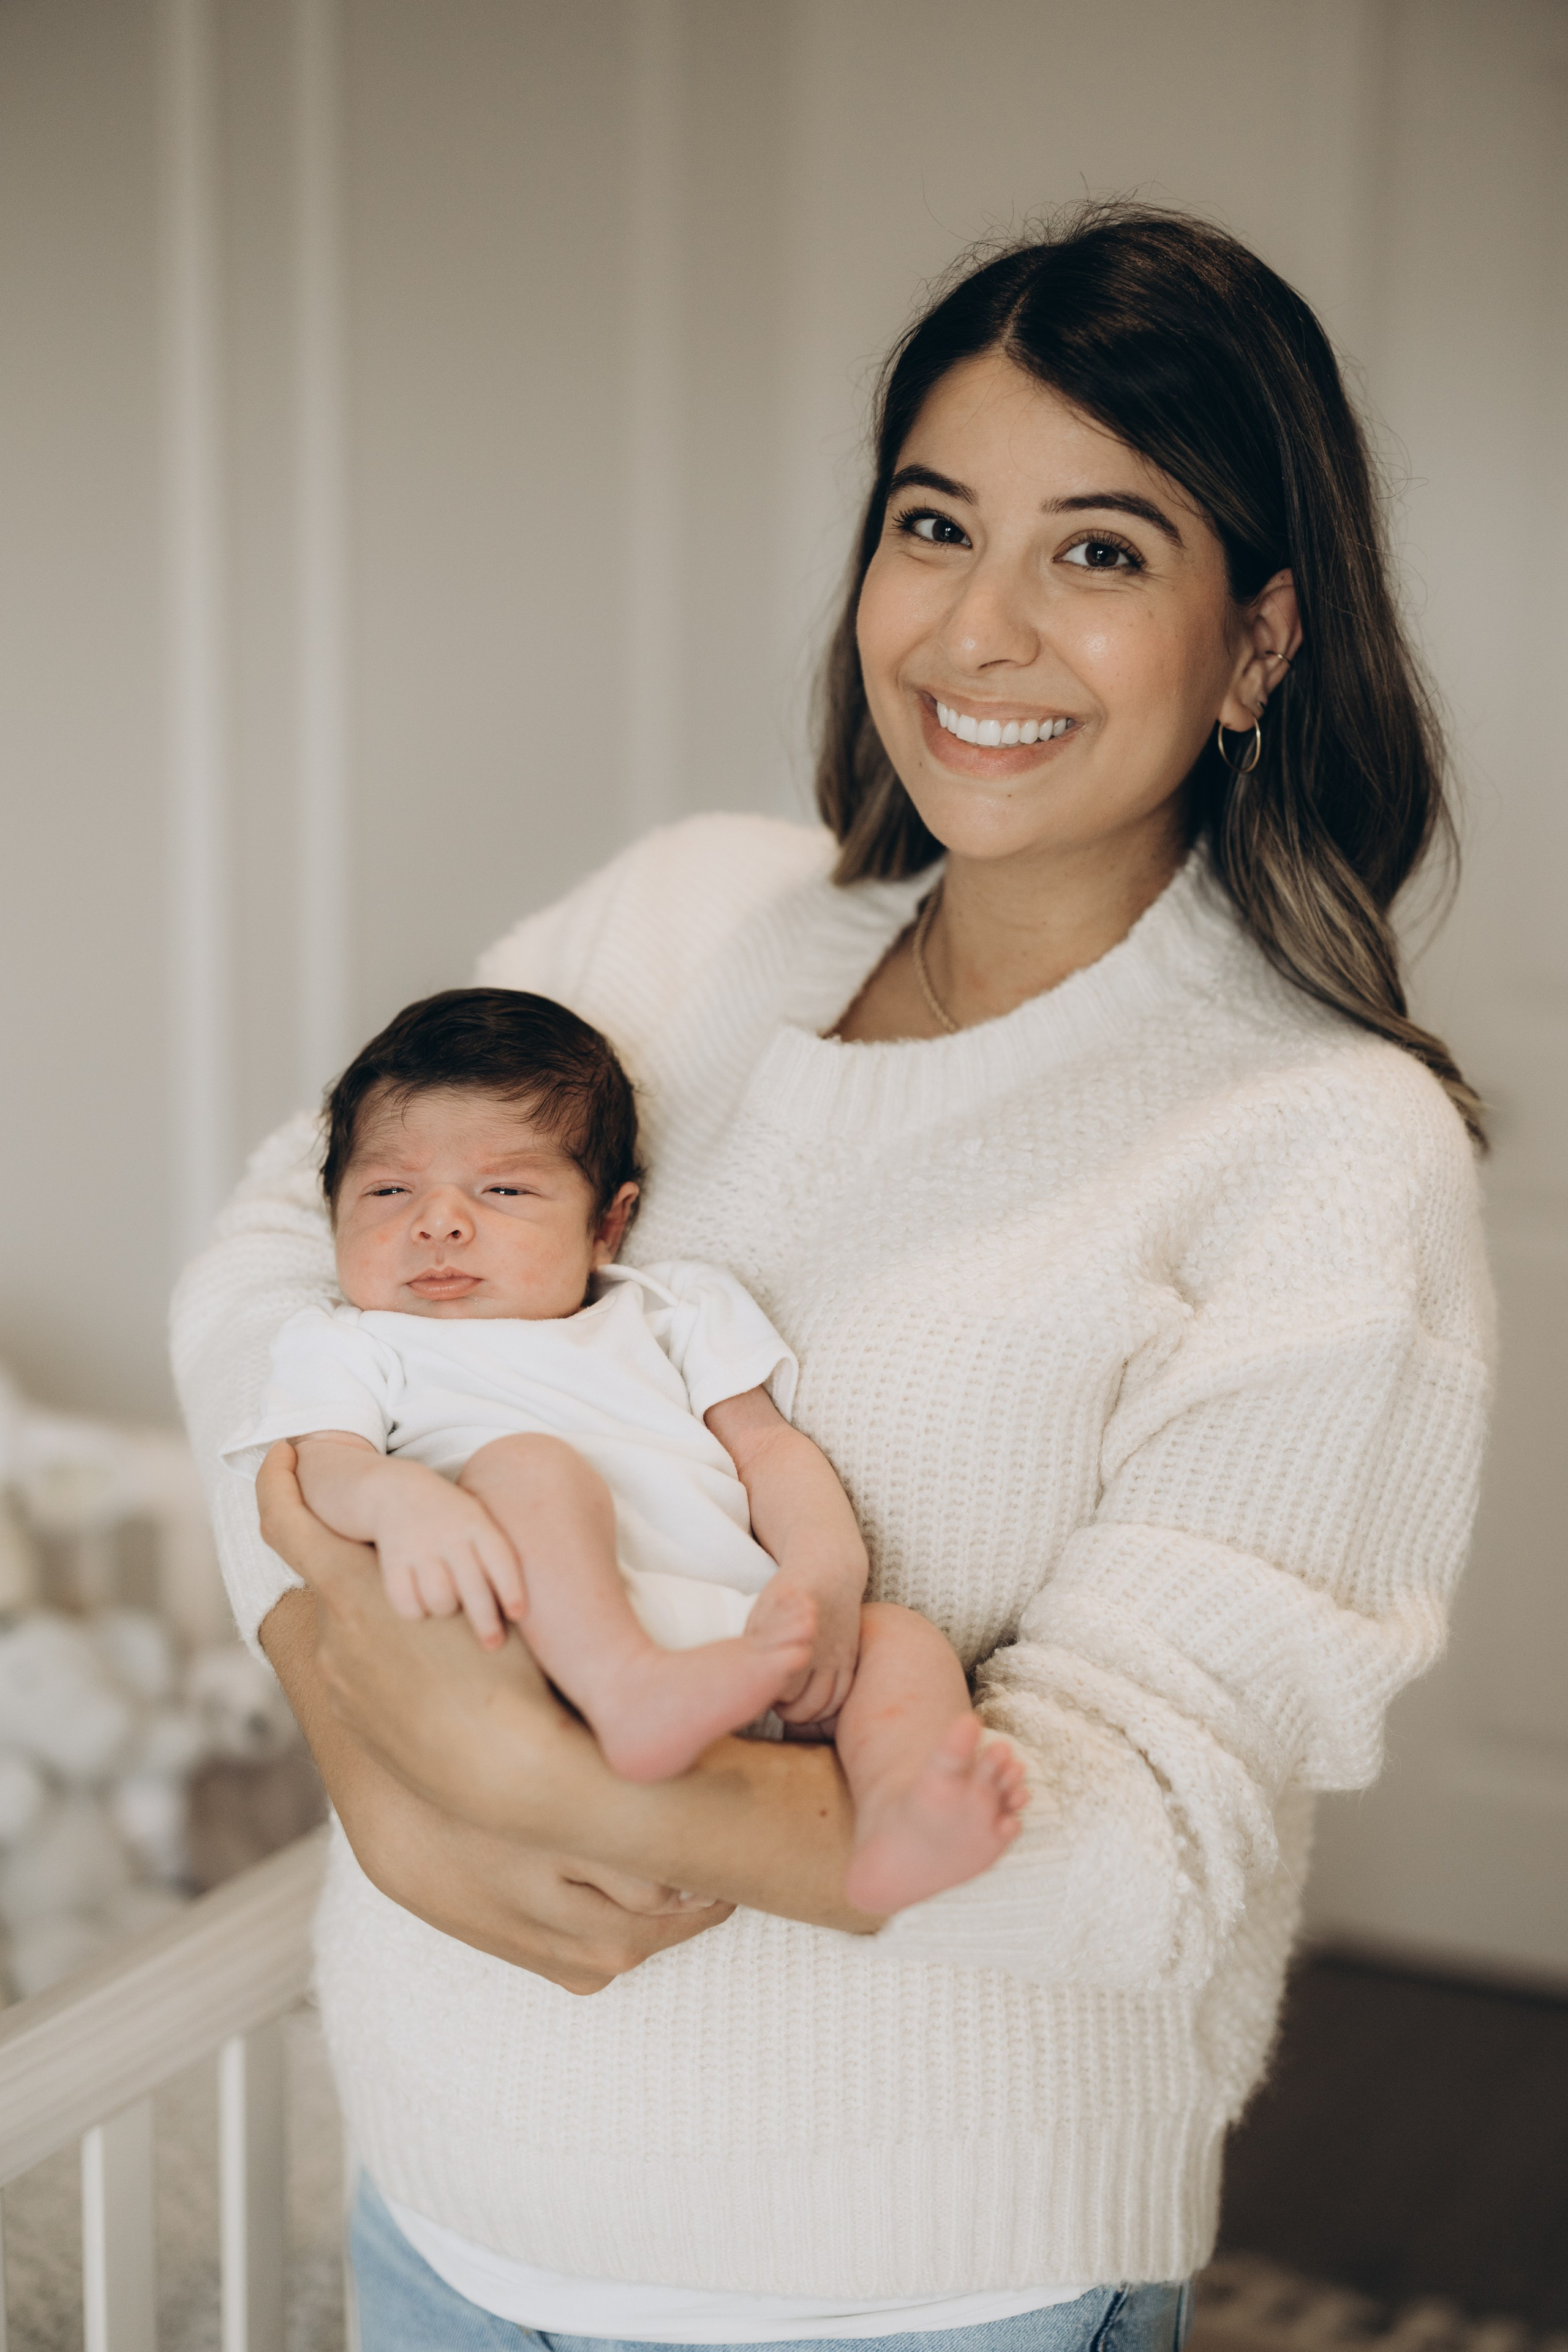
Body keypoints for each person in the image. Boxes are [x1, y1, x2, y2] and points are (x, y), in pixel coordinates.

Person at [172, 203, 1493, 2350]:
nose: (977, 631)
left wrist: (540, 1776)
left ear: (1259, 640)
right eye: (932, 522)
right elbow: (275, 1248)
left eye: (1099, 551)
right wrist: (340, 1672)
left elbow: (1150, 1846)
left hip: (906, 2288)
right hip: (443, 2203)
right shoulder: (686, 919)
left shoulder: (1325, 1146)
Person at [222, 987, 1028, 1908]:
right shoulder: (354, 1340)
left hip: (741, 1646)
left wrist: (824, 1576)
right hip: (536, 1659)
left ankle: (897, 1819)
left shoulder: (670, 1307)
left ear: (608, 1222)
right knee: (528, 1465)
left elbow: (769, 1451)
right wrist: (405, 1501)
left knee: (902, 1642)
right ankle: (628, 1689)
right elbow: (322, 1468)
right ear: (332, 1219)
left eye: (505, 1189)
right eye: (388, 1190)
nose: (437, 1222)